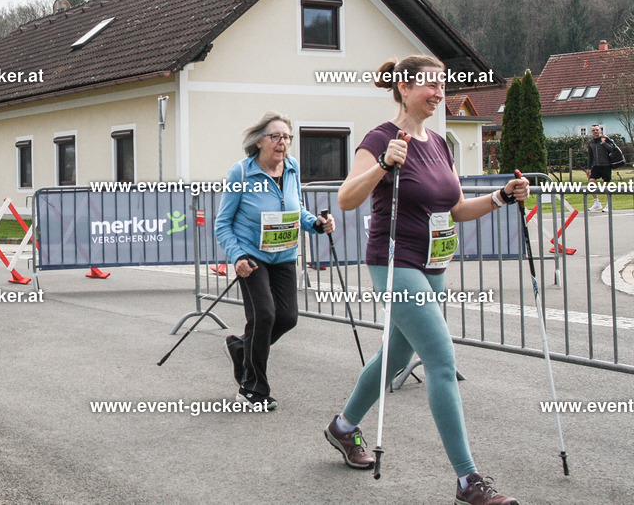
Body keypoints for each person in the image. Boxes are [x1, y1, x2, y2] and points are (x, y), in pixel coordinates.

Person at [324, 56, 529, 505]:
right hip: (394, 263)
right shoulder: (381, 138)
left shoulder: (439, 142)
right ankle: (468, 481)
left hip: (434, 264)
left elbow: (456, 207)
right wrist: (382, 164)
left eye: (443, 87)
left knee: (395, 357)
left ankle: (343, 426)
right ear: (403, 88)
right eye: (430, 86)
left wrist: (500, 196)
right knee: (440, 359)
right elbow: (345, 198)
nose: (439, 94)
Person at [214, 112, 335, 411]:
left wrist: (316, 224)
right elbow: (222, 223)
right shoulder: (241, 173)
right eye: (276, 137)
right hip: (251, 257)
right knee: (263, 316)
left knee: (287, 318)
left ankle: (241, 348)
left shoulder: (292, 168)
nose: (283, 143)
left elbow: (296, 211)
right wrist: (237, 256)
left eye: (287, 138)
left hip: (284, 255)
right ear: (259, 141)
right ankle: (252, 389)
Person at [586, 124, 623, 212]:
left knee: (606, 185)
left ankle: (609, 204)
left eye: (597, 130)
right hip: (596, 166)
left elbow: (612, 149)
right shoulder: (591, 142)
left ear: (600, 130)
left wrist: (604, 143)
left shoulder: (605, 139)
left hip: (606, 165)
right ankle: (597, 203)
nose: (595, 131)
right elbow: (590, 156)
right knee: (591, 182)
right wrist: (589, 168)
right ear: (591, 132)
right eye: (593, 130)